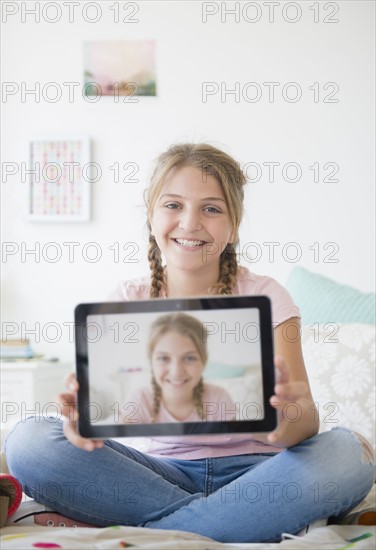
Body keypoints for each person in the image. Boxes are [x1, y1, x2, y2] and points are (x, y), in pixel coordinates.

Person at [5, 143, 375, 543]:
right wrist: (85, 420)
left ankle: (163, 529)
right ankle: (242, 520)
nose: (190, 222)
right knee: (29, 441)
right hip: (159, 474)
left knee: (346, 452)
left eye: (211, 209)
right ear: (152, 216)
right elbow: (117, 413)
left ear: (233, 226)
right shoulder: (127, 300)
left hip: (264, 471)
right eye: (173, 205)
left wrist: (286, 415)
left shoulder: (269, 297)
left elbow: (304, 425)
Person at [124, 312, 236, 425]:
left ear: (204, 361)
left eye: (189, 358)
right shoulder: (140, 401)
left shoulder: (219, 398)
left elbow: (237, 442)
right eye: (164, 358)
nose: (176, 372)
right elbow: (120, 442)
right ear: (151, 362)